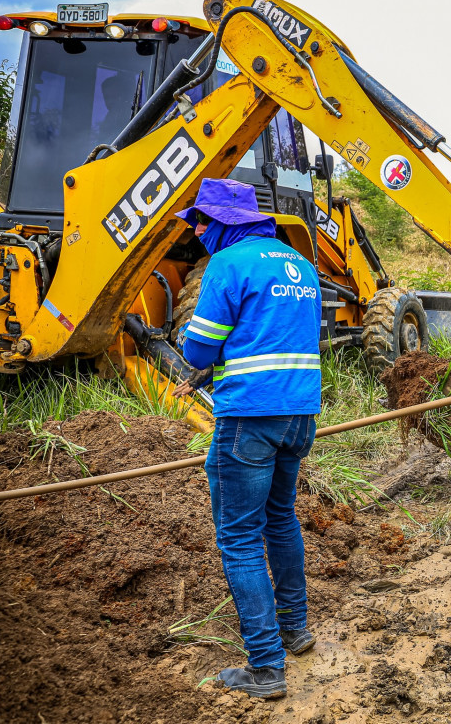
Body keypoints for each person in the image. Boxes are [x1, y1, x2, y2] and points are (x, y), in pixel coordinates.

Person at [172, 178, 322, 698]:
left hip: (249, 419)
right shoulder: (299, 264)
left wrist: (202, 364)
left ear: (222, 223)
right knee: (280, 519)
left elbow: (197, 348)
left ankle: (265, 667)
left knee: (238, 538)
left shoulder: (227, 264)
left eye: (200, 222)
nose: (197, 231)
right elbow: (275, 337)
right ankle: (295, 630)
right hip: (300, 412)